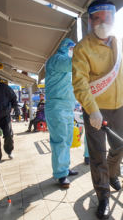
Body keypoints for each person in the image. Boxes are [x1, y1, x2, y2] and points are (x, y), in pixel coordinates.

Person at [72, 0, 123, 219]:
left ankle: (111, 173)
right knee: (98, 154)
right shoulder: (83, 48)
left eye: (106, 17)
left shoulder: (120, 41)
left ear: (113, 19)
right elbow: (79, 83)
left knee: (120, 145)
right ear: (90, 21)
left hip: (119, 106)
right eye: (96, 18)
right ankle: (103, 197)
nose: (101, 22)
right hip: (95, 110)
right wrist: (92, 109)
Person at [44, 38, 79, 188]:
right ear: (67, 48)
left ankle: (64, 167)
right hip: (57, 106)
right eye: (73, 50)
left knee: (67, 139)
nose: (74, 53)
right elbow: (73, 64)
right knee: (60, 140)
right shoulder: (57, 59)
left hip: (66, 106)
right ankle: (60, 174)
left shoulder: (64, 63)